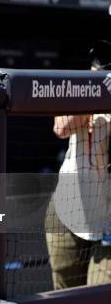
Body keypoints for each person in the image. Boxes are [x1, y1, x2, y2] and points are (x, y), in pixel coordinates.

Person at [45, 40, 111, 289]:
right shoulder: (88, 84)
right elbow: (61, 127)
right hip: (70, 210)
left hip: (108, 224)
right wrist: (97, 88)